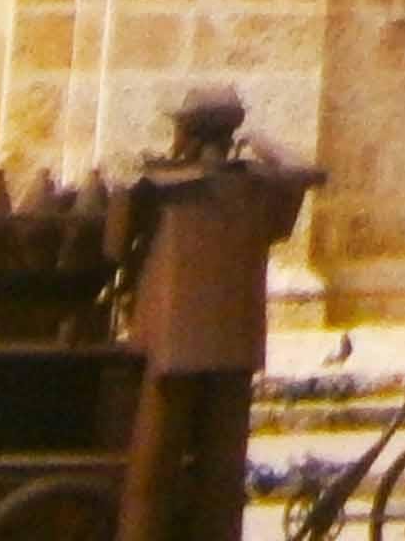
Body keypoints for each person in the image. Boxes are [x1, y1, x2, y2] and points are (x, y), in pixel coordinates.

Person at [105, 87, 319, 541]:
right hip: (234, 350)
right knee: (222, 477)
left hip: (171, 350)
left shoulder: (162, 189)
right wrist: (261, 142)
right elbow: (301, 176)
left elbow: (115, 244)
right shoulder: (259, 189)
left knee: (152, 473)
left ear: (190, 132)